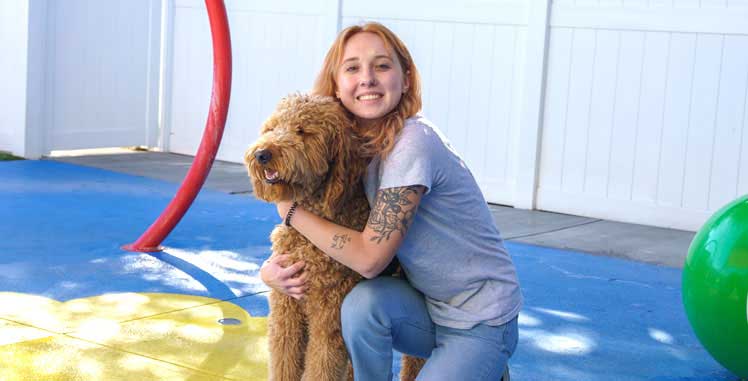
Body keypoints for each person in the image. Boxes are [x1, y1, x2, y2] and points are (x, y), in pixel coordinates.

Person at [259, 22, 522, 381]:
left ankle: (487, 363)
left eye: (381, 66)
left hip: (480, 319)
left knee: (365, 294)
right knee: (360, 307)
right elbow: (324, 226)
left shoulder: (413, 144)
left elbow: (368, 259)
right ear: (337, 84)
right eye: (352, 67)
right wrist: (272, 271)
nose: (367, 78)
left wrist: (289, 211)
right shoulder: (356, 147)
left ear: (407, 79)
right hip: (426, 310)